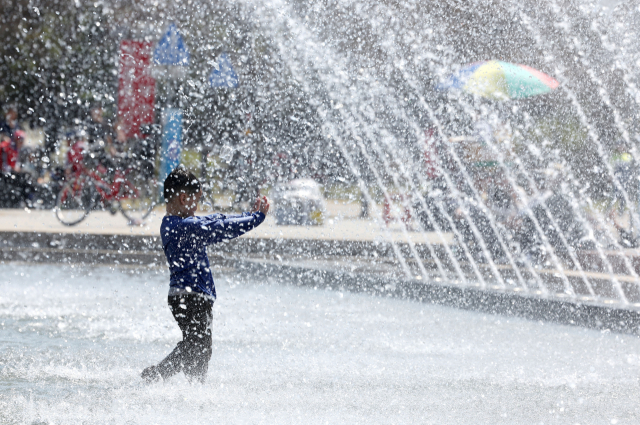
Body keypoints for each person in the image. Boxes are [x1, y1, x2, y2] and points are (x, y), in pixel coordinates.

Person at [141, 166, 270, 383]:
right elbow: (219, 226)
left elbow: (214, 220)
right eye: (197, 199)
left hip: (185, 297)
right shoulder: (184, 227)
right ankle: (158, 375)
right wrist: (255, 219)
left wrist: (248, 215)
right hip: (192, 298)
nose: (197, 206)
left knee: (199, 348)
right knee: (196, 345)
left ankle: (194, 389)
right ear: (183, 198)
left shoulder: (172, 224)